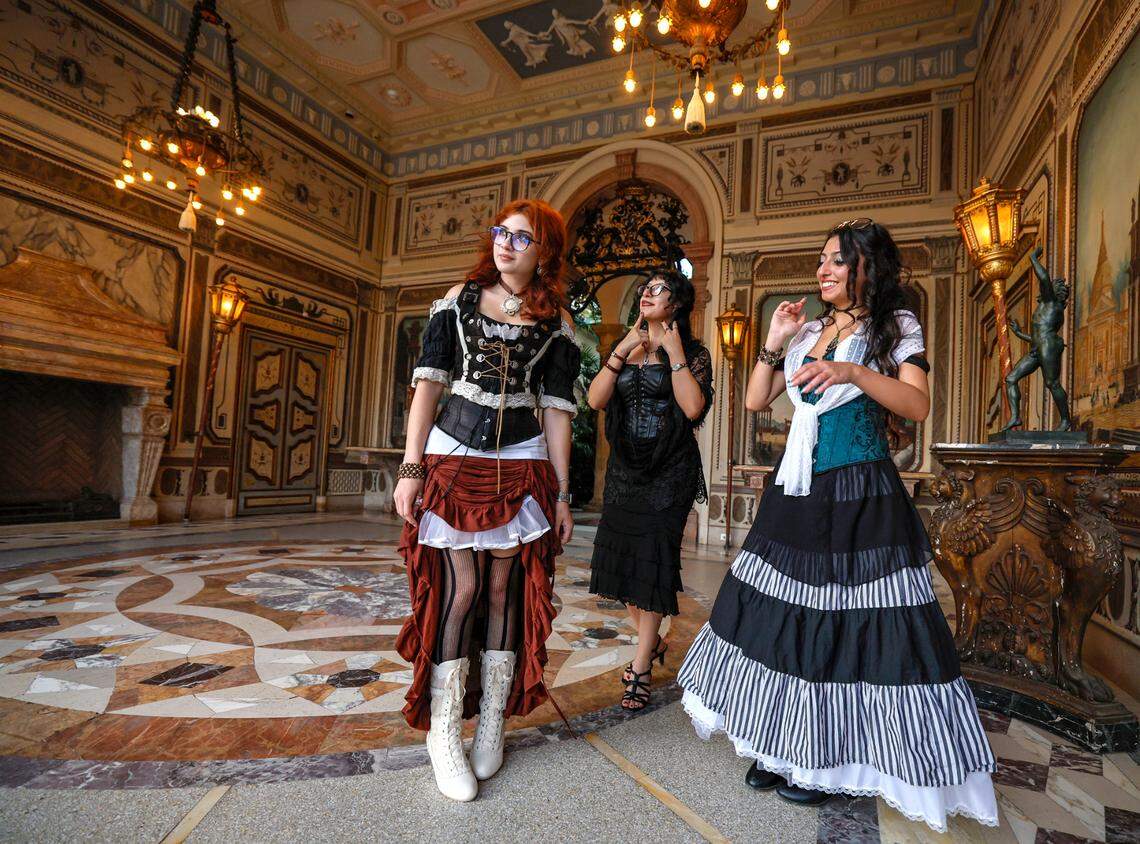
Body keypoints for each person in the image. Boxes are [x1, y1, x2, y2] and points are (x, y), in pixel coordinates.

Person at [677, 219, 998, 832]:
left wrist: (854, 374)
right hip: (797, 490)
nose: (823, 270)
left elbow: (916, 404)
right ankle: (781, 747)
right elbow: (756, 400)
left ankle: (823, 760)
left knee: (844, 620)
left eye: (836, 260)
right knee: (782, 616)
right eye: (821, 260)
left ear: (866, 268)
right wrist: (774, 341)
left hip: (858, 491)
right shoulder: (811, 330)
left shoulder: (895, 326)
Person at [393, 199, 580, 802]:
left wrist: (561, 493)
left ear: (544, 252)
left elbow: (557, 413)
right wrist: (411, 468)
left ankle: (492, 719)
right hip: (454, 459)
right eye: (502, 232)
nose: (505, 243)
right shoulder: (458, 302)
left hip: (521, 465)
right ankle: (444, 730)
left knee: (503, 589)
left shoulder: (556, 323)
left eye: (521, 237)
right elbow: (428, 390)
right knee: (462, 589)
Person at [586, 269, 712, 711]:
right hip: (625, 472)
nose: (647, 293)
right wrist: (621, 349)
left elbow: (692, 408)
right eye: (646, 288)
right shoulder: (628, 347)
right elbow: (595, 400)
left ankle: (640, 666)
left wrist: (674, 354)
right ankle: (652, 641)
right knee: (621, 564)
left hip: (670, 474)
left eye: (659, 289)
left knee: (651, 565)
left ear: (676, 303)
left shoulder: (694, 353)